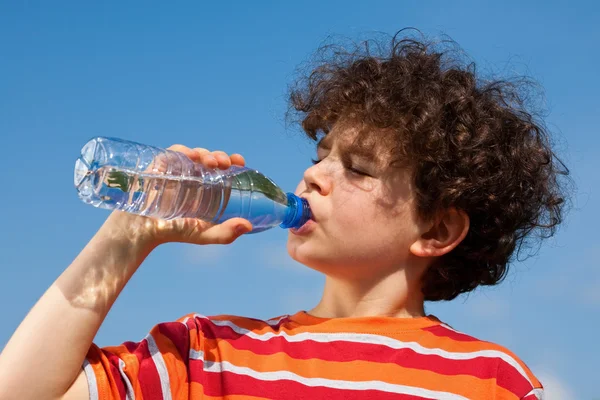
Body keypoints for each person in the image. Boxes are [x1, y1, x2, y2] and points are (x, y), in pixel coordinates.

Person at [0, 30, 568, 400]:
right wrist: (128, 234)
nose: (314, 176)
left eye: (360, 168)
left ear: (437, 229)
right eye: (319, 156)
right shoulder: (210, 355)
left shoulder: (490, 379)